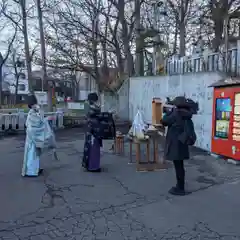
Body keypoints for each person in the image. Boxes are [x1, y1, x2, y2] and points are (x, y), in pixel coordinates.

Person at [162, 96, 196, 196]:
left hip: (175, 144)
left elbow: (163, 121)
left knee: (178, 166)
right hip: (182, 142)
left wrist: (168, 112)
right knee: (180, 165)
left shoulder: (176, 113)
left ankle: (180, 188)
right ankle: (180, 185)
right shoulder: (186, 113)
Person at [22, 94, 44, 177]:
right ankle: (31, 171)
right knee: (32, 154)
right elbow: (37, 123)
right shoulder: (33, 112)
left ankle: (34, 169)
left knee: (34, 153)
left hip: (31, 136)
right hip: (33, 136)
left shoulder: (33, 112)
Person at [82, 92, 102, 172]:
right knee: (94, 148)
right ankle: (93, 167)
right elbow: (95, 116)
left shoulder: (89, 106)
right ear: (94, 100)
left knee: (89, 147)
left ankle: (89, 165)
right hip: (93, 130)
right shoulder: (92, 108)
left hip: (90, 130)